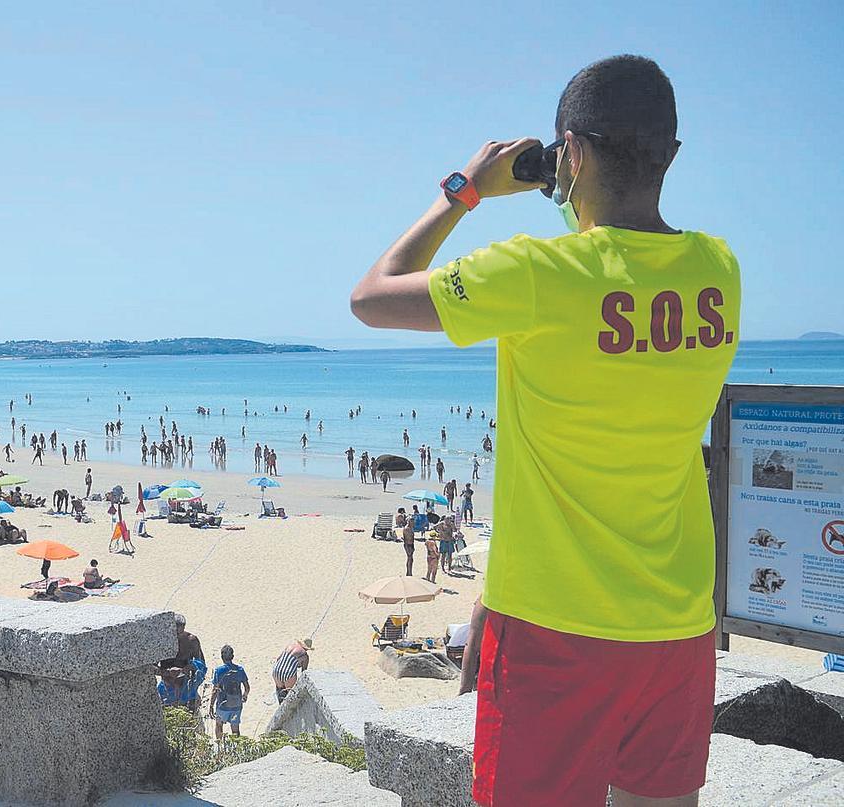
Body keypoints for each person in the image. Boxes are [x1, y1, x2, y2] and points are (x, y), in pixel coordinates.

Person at [350, 55, 738, 806]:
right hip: (677, 621)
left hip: (556, 630)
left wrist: (464, 193)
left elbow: (372, 295)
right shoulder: (718, 270)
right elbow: (617, 256)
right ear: (673, 154)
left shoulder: (533, 275)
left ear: (574, 153)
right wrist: (571, 181)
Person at [211, 645, 250, 741]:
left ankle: (220, 746)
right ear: (232, 656)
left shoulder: (218, 671)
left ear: (222, 657)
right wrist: (244, 696)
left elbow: (215, 690)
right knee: (235, 729)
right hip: (237, 705)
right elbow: (247, 687)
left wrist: (211, 705)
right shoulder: (240, 670)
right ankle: (236, 748)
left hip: (222, 705)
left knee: (219, 725)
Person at [271, 638, 311, 703]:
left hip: (276, 670)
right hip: (289, 673)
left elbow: (278, 658)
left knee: (281, 691)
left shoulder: (290, 646)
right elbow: (303, 672)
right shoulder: (305, 656)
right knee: (291, 695)